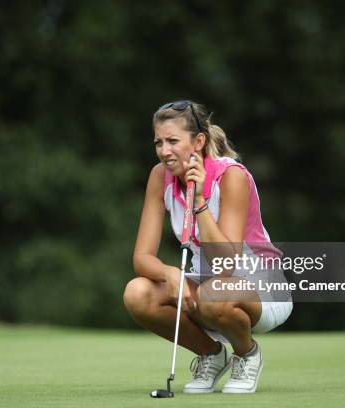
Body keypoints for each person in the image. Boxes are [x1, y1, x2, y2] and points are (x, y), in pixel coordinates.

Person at [124, 100, 292, 394]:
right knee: (137, 293)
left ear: (198, 141)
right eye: (159, 142)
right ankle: (212, 355)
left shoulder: (232, 176)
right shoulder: (158, 176)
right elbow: (141, 257)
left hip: (263, 290)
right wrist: (170, 274)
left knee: (213, 293)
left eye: (173, 141)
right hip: (208, 288)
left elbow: (226, 266)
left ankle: (247, 354)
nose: (165, 151)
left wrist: (199, 202)